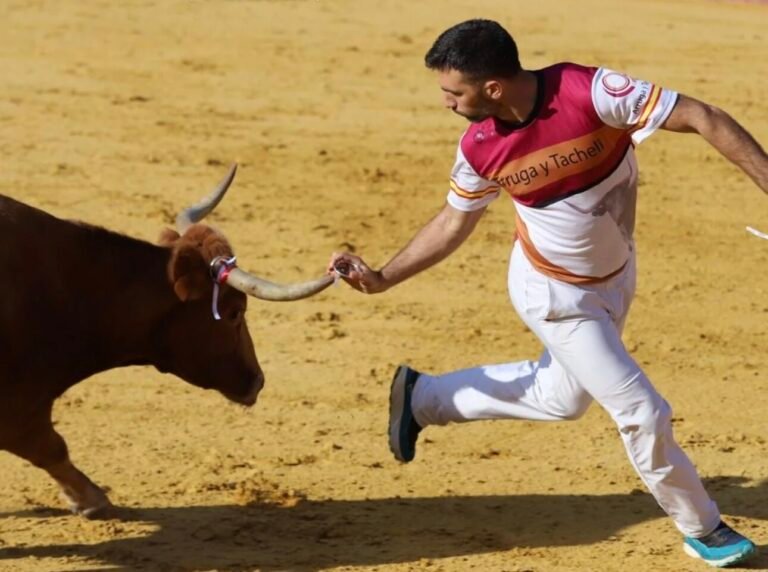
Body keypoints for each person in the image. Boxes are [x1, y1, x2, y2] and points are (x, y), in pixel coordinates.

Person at [327, 19, 766, 568]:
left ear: (492, 87)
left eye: (452, 92)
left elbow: (704, 117)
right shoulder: (481, 148)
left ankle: (422, 398)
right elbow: (451, 223)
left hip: (614, 275)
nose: (446, 103)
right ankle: (702, 526)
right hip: (554, 296)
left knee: (562, 398)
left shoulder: (592, 92)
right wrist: (384, 276)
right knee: (641, 410)